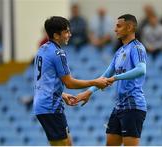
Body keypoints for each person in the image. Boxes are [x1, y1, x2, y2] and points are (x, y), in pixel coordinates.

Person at [33, 16, 111, 146]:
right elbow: (69, 83)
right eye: (66, 32)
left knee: (68, 143)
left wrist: (61, 94)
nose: (70, 34)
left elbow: (43, 80)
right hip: (50, 106)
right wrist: (96, 82)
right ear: (56, 35)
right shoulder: (58, 53)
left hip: (45, 103)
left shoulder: (42, 49)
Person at [75, 14, 147, 146]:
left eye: (118, 26)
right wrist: (89, 92)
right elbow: (106, 75)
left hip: (133, 105)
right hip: (119, 106)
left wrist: (115, 78)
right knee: (110, 143)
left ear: (130, 27)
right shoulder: (119, 51)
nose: (115, 29)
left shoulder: (137, 47)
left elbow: (141, 69)